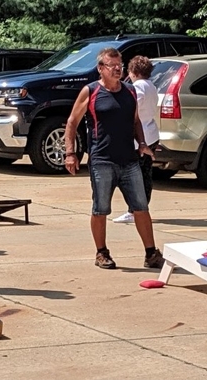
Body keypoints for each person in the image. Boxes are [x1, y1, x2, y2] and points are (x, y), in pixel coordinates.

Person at [64, 48, 164, 270]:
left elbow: (136, 121)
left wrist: (143, 144)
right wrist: (70, 153)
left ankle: (151, 254)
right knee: (100, 209)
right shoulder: (90, 92)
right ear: (101, 69)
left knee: (141, 207)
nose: (118, 68)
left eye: (120, 64)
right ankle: (102, 253)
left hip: (129, 160)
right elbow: (72, 122)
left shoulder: (129, 92)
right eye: (112, 65)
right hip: (102, 161)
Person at [113, 56, 159, 224]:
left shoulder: (138, 87)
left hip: (139, 138)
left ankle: (134, 210)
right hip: (152, 133)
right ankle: (141, 208)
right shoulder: (152, 86)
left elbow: (131, 110)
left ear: (133, 71)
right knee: (145, 174)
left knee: (130, 176)